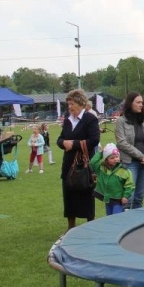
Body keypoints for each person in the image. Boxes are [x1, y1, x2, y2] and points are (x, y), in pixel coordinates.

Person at [57, 89, 101, 231]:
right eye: (68, 104)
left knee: (86, 195)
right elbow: (60, 138)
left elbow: (94, 140)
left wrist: (74, 144)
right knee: (69, 196)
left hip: (84, 164)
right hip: (68, 164)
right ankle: (71, 227)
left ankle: (90, 227)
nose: (70, 107)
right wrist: (63, 143)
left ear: (81, 103)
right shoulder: (68, 120)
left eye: (72, 104)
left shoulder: (90, 119)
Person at [114, 92, 144, 209]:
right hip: (130, 164)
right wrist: (141, 156)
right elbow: (122, 143)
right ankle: (126, 219)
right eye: (138, 102)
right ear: (130, 103)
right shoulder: (121, 121)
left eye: (142, 102)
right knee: (128, 198)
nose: (141, 105)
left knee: (139, 198)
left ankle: (138, 220)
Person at [89, 143, 134, 216]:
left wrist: (125, 196)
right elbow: (93, 162)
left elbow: (130, 185)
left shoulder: (124, 170)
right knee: (109, 217)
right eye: (112, 158)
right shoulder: (101, 168)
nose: (115, 159)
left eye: (117, 156)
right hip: (108, 199)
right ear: (106, 160)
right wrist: (101, 153)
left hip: (118, 200)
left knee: (116, 217)